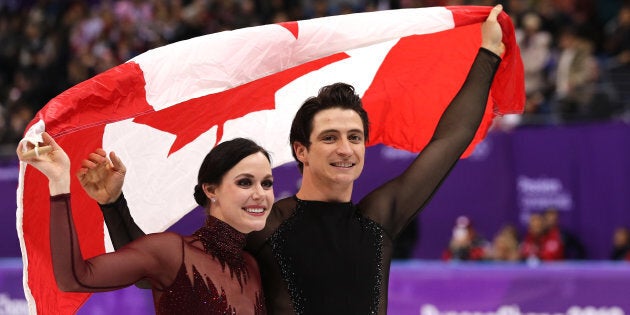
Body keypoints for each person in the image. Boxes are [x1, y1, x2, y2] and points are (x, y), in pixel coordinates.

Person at [81, 5, 506, 314]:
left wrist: (486, 55)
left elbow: (449, 140)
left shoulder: (379, 220)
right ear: (301, 150)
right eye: (330, 137)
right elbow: (155, 269)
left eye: (355, 137)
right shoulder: (266, 222)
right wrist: (112, 203)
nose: (346, 148)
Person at [16, 133, 274, 314]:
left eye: (267, 183)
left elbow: (148, 280)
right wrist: (59, 181)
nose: (260, 193)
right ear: (211, 190)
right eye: (244, 182)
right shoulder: (173, 251)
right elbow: (74, 278)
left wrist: (114, 204)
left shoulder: (251, 266)